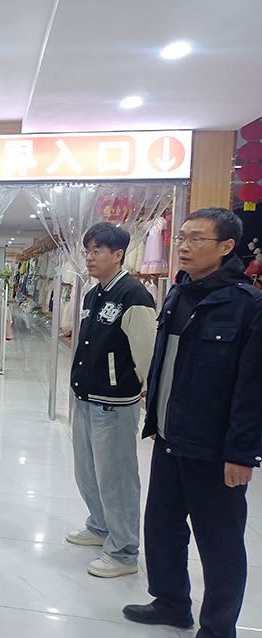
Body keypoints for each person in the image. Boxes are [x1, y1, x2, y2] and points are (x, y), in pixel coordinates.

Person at [123, 208, 262, 637]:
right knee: (162, 529)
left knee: (219, 544)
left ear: (226, 247)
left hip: (213, 449)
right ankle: (170, 603)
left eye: (196, 239)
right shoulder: (177, 294)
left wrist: (241, 453)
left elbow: (253, 389)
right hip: (168, 438)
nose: (182, 246)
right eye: (181, 237)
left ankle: (218, 628)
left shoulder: (247, 306)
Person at [66, 222, 157, 577]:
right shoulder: (93, 295)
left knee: (116, 478)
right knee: (87, 470)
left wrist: (142, 393)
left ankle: (124, 551)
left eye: (97, 251)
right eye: (87, 251)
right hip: (86, 396)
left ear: (118, 255)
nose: (89, 258)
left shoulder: (134, 294)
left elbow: (146, 353)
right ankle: (100, 526)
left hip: (114, 402)